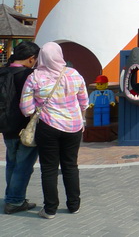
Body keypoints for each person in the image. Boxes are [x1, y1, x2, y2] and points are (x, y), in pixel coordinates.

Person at [20, 42, 89, 219]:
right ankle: (74, 205)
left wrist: (37, 107)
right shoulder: (74, 74)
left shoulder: (35, 77)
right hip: (74, 126)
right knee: (70, 165)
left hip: (47, 126)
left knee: (49, 168)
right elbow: (84, 102)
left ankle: (50, 209)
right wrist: (80, 116)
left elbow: (26, 108)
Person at [2, 41, 40, 215]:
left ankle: (11, 196)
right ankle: (15, 201)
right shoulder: (28, 75)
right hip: (26, 128)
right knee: (23, 165)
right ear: (31, 58)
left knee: (11, 163)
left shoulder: (3, 71)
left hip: (6, 126)